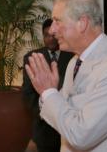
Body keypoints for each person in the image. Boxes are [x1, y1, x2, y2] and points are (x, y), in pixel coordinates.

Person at [25, 0, 107, 152]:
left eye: (57, 21)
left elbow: (81, 135)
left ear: (82, 23)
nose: (52, 30)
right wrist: (49, 91)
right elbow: (66, 111)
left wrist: (48, 92)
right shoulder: (75, 61)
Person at [22, 18, 73, 152]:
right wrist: (44, 114)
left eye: (53, 35)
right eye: (46, 35)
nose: (50, 39)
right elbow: (27, 93)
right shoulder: (31, 58)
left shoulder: (73, 57)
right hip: (43, 128)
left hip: (68, 125)